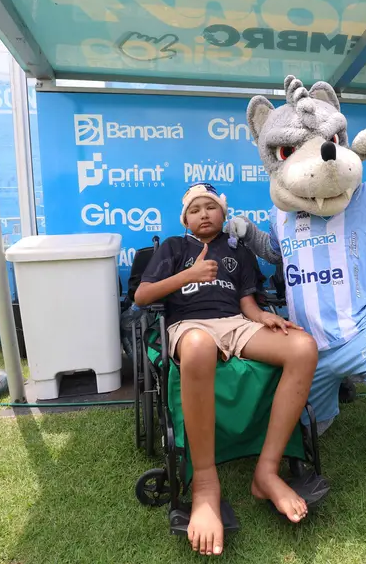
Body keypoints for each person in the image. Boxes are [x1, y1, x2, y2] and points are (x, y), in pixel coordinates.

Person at [134, 183, 318, 557]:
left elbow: (247, 302)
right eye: (196, 209)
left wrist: (264, 316)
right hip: (189, 327)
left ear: (224, 213)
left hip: (235, 322)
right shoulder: (173, 248)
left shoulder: (239, 251)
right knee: (200, 346)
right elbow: (142, 296)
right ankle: (205, 485)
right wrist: (190, 275)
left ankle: (266, 473)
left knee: (302, 346)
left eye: (211, 207)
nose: (204, 214)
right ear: (185, 219)